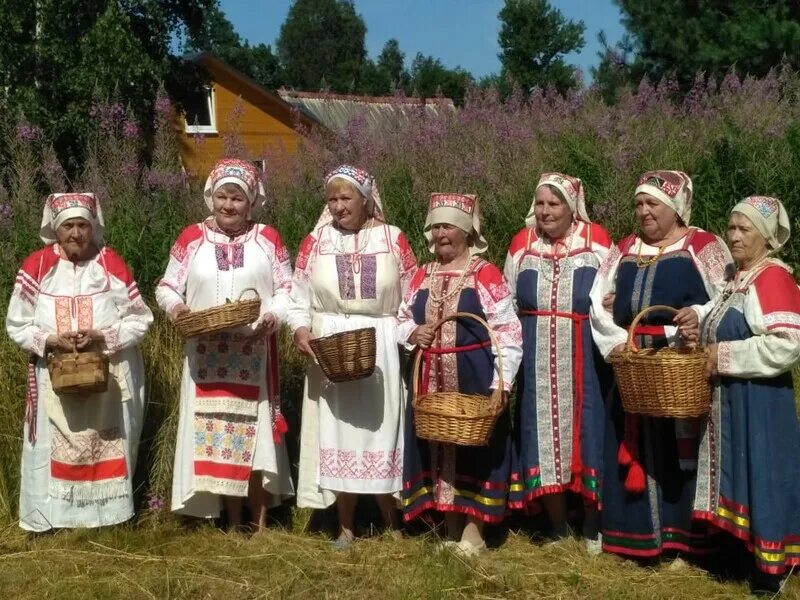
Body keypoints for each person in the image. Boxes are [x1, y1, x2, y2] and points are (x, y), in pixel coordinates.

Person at [589, 170, 731, 559]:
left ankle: (684, 543)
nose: (644, 212)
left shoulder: (702, 246)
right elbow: (597, 301)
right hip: (633, 363)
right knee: (631, 441)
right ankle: (631, 538)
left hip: (679, 366)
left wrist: (694, 318)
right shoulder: (624, 249)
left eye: (653, 203)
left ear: (676, 208)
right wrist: (621, 344)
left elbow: (727, 297)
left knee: (678, 451)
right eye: (638, 204)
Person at [156, 158, 294, 530]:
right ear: (210, 198)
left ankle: (260, 521)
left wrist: (273, 316)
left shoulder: (268, 238)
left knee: (255, 437)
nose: (228, 205)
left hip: (253, 352)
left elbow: (287, 289)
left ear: (251, 202)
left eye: (237, 198)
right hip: (205, 355)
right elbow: (166, 286)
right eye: (222, 197)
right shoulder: (191, 238)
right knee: (215, 433)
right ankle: (230, 522)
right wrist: (180, 309)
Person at [6, 192, 153, 531]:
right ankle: (56, 519)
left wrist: (102, 336)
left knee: (106, 442)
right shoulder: (37, 266)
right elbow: (16, 323)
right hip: (56, 376)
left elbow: (139, 318)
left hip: (108, 377)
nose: (76, 233)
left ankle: (108, 518)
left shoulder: (109, 263)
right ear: (56, 229)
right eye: (68, 226)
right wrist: (50, 341)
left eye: (83, 225)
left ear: (93, 227)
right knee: (54, 442)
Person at [288, 165, 417, 548]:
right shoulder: (316, 241)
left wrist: (408, 332)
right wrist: (300, 329)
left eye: (346, 198)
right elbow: (297, 296)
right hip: (330, 345)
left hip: (380, 343)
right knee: (337, 431)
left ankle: (391, 522)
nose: (338, 206)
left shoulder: (393, 239)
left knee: (382, 431)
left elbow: (413, 295)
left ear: (365, 199)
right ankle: (346, 527)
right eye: (332, 199)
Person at [398, 192, 523, 556]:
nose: (440, 234)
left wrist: (501, 382)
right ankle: (451, 528)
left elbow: (508, 330)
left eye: (448, 226)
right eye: (435, 226)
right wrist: (411, 333)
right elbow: (402, 316)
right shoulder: (422, 273)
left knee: (475, 451)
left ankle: (474, 533)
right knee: (438, 447)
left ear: (467, 231)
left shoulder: (485, 273)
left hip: (474, 378)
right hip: (430, 382)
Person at [692, 196, 800, 593]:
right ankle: (738, 553)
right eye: (731, 227)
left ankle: (772, 568)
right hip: (730, 397)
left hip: (761, 400)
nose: (733, 236)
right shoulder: (737, 277)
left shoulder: (773, 278)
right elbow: (720, 320)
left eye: (744, 229)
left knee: (763, 472)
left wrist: (720, 355)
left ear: (767, 237)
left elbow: (787, 344)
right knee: (733, 472)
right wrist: (695, 323)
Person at [504, 173, 612, 550]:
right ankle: (558, 525)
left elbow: (611, 291)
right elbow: (508, 301)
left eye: (554, 204)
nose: (545, 211)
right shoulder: (522, 244)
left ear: (572, 207)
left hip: (585, 353)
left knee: (589, 430)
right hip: (535, 354)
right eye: (540, 203)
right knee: (540, 435)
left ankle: (592, 524)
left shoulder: (596, 240)